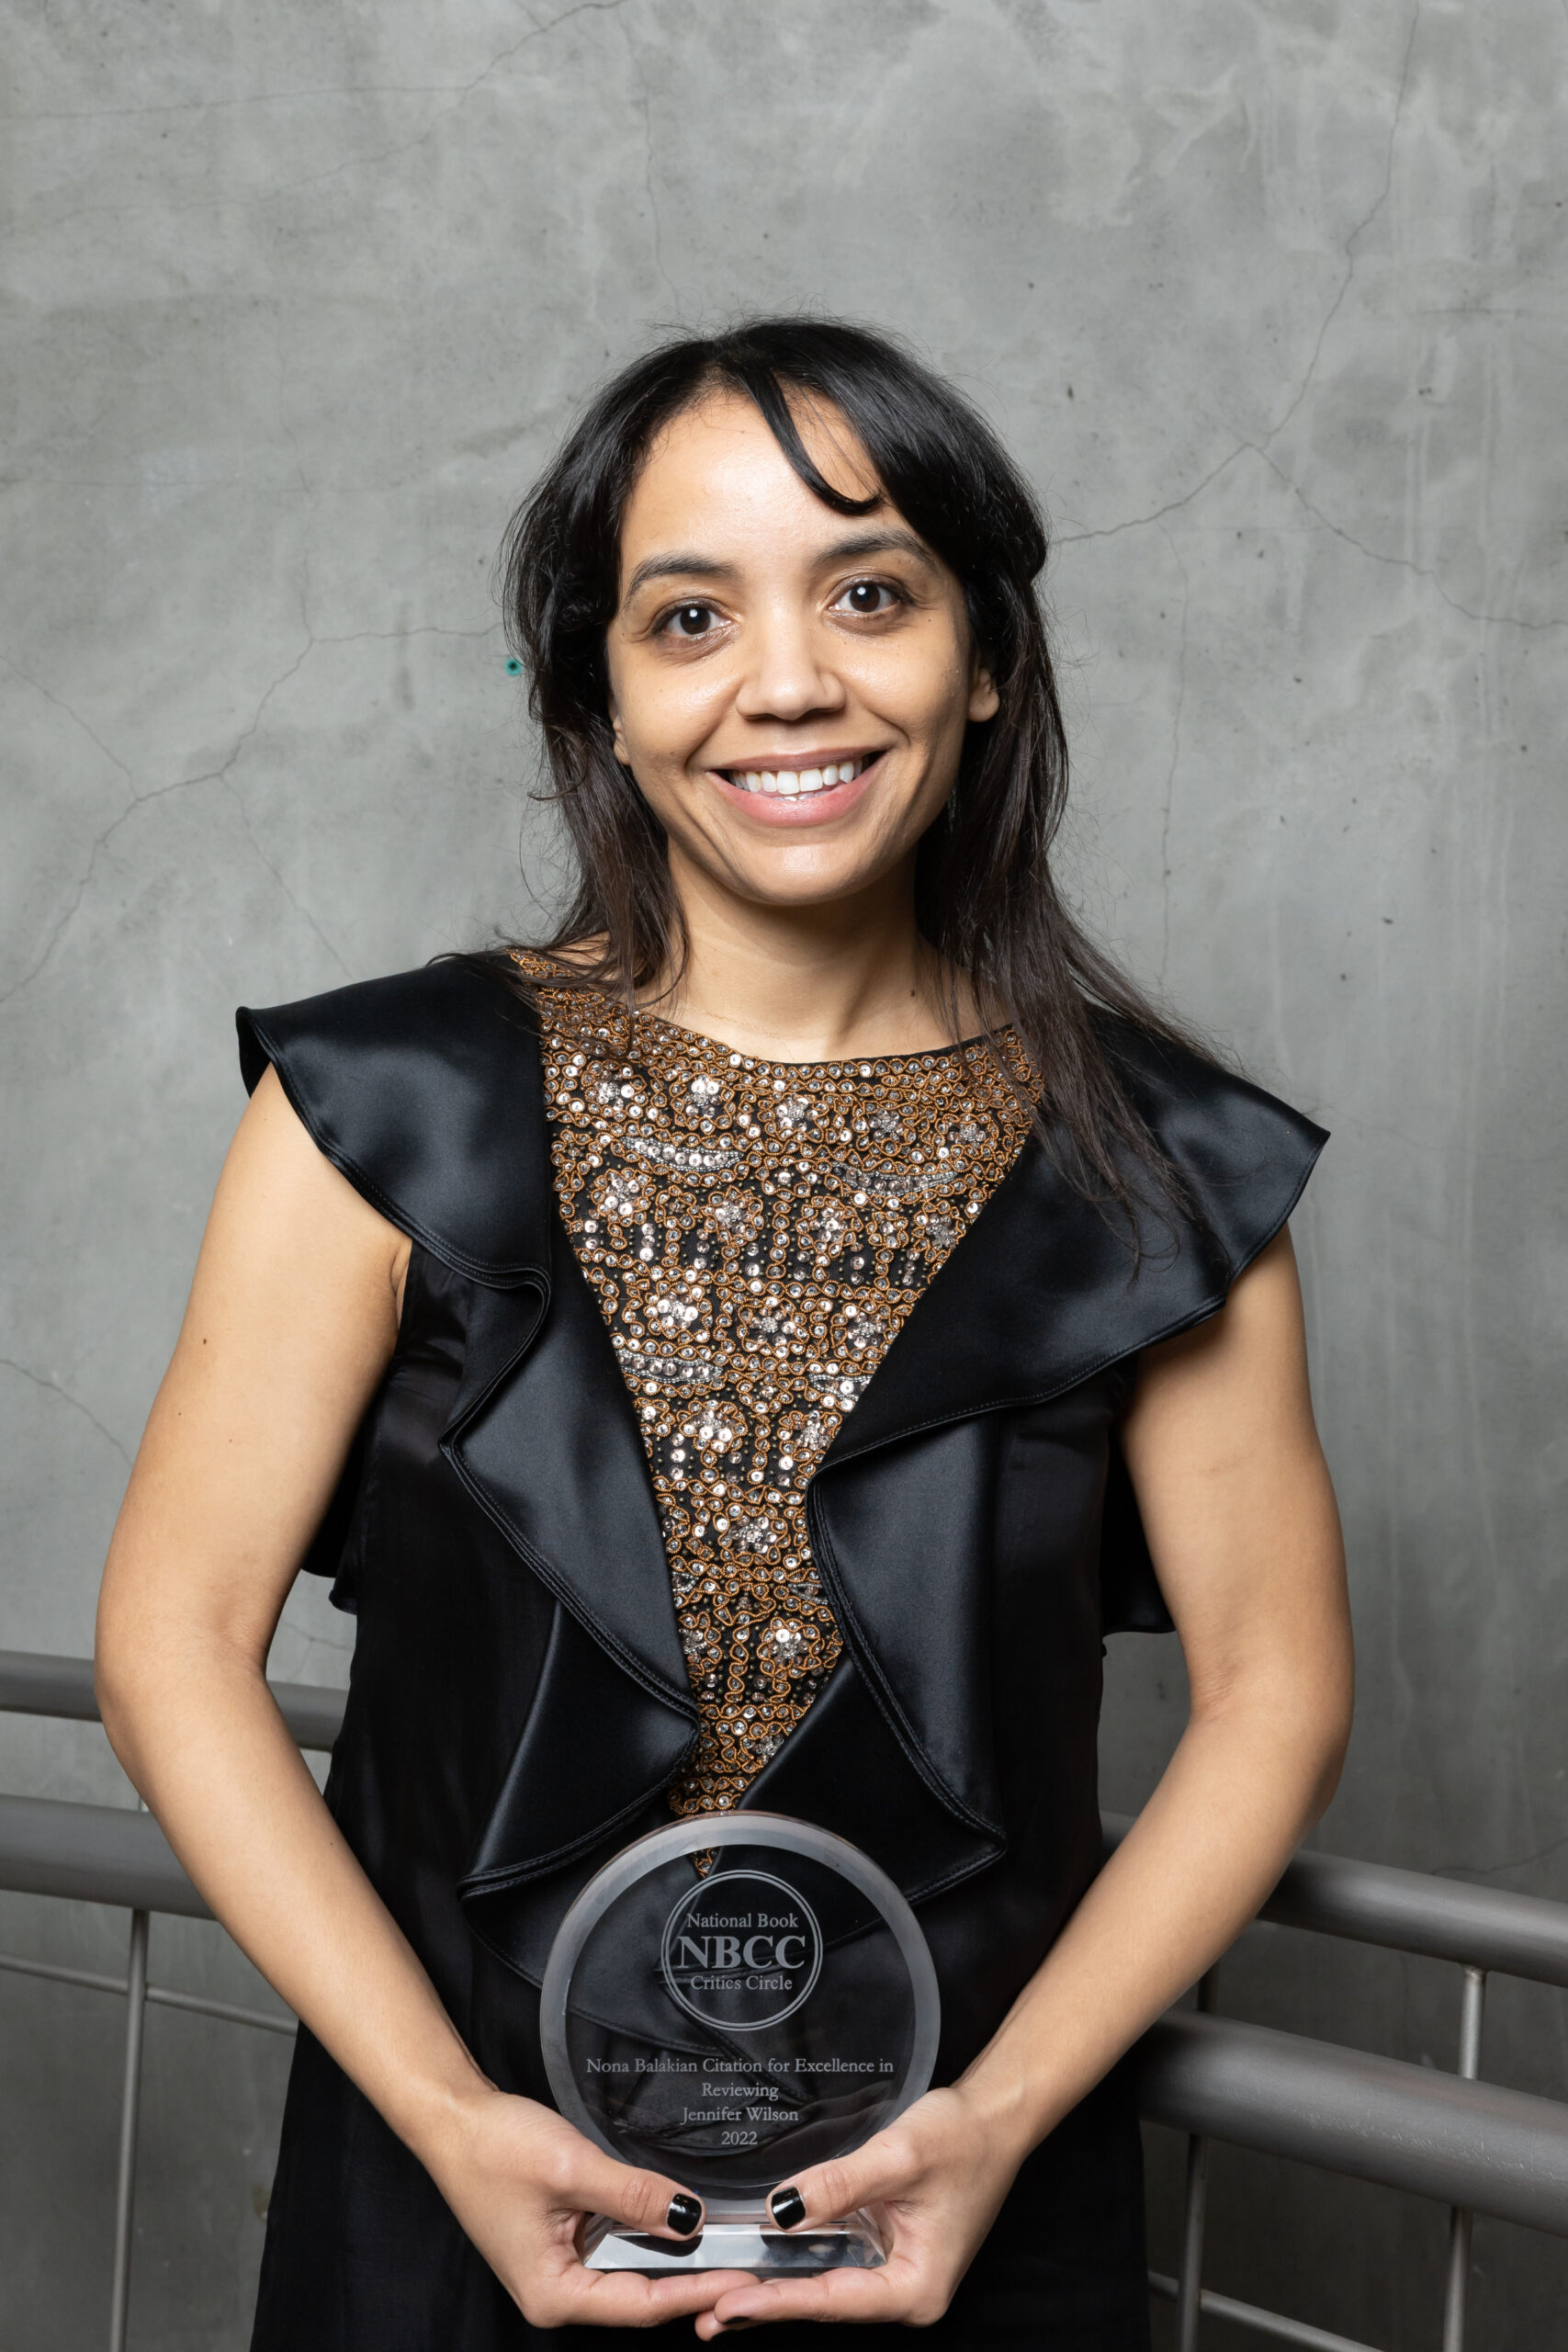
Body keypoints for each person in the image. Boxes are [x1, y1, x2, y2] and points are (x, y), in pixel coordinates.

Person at [95, 319, 1353, 2350]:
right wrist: (437, 2111)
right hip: (463, 2197)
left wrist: (1001, 2118)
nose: (787, 680)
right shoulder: (377, 1106)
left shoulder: (1164, 1173)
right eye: (690, 614)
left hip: (946, 2213)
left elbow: (1274, 1687)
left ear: (986, 655)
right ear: (601, 688)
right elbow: (170, 1641)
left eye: (869, 593)